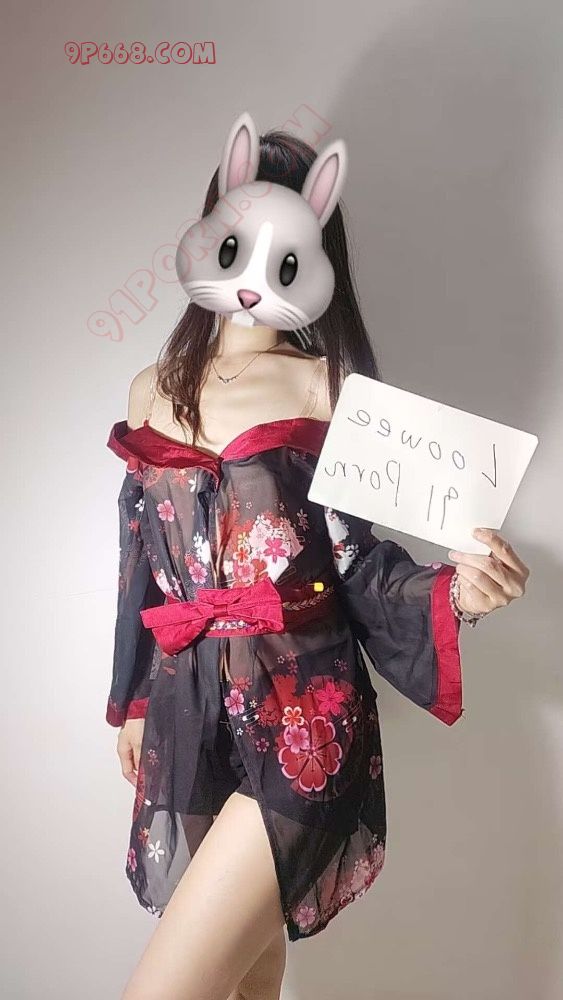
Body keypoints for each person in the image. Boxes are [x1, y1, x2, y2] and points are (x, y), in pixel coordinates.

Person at [105, 118, 530, 1000]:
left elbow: (356, 564)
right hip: (186, 713)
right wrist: (135, 700)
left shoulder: (325, 389)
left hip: (303, 714)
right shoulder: (148, 390)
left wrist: (461, 592)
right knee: (248, 980)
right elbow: (140, 562)